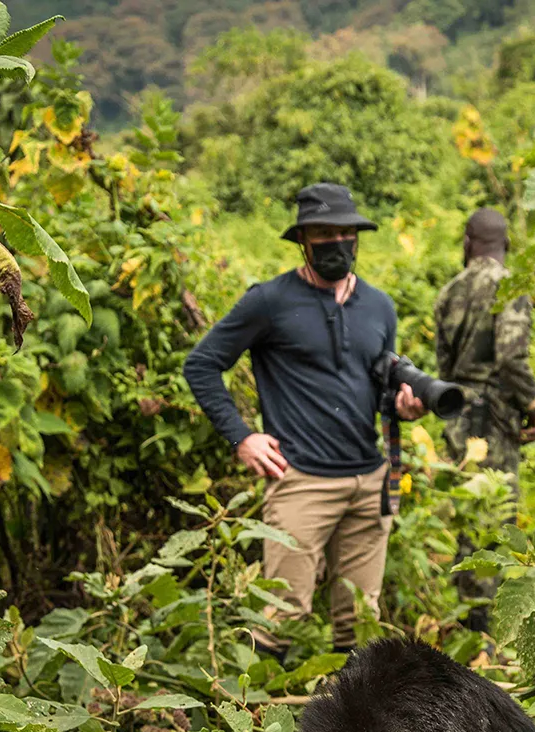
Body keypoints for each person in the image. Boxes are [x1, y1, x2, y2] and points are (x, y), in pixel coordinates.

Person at [182, 182, 426, 659]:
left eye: (344, 232)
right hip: (301, 481)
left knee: (362, 621)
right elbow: (202, 364)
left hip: (369, 477)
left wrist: (401, 406)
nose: (336, 242)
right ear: (303, 240)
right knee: (281, 614)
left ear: (357, 237)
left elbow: (376, 386)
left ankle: (351, 730)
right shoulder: (269, 301)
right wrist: (242, 437)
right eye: (322, 233)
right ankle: (248, 722)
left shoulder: (380, 306)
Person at [433, 208, 535, 635]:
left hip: (458, 416)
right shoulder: (509, 288)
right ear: (507, 246)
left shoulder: (448, 292)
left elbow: (444, 368)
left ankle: (468, 623)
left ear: (467, 242)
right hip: (495, 418)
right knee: (494, 520)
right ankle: (482, 635)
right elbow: (512, 357)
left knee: (468, 518)